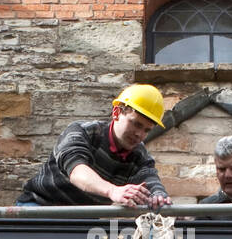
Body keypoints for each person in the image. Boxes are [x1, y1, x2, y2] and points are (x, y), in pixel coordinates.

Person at [17, 84, 172, 210]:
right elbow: (77, 171)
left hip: (84, 222)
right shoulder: (83, 131)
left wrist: (160, 198)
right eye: (136, 124)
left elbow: (150, 181)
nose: (140, 135)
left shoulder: (140, 156)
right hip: (38, 208)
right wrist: (113, 190)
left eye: (146, 130)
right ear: (117, 112)